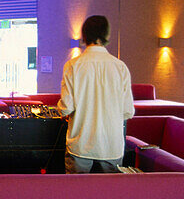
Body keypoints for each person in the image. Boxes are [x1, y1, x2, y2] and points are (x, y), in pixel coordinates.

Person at [57, 15, 134, 173]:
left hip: (81, 145)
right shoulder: (120, 67)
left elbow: (66, 108)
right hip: (111, 146)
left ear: (85, 36)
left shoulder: (73, 66)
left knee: (77, 195)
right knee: (109, 196)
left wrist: (60, 109)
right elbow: (128, 111)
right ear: (107, 35)